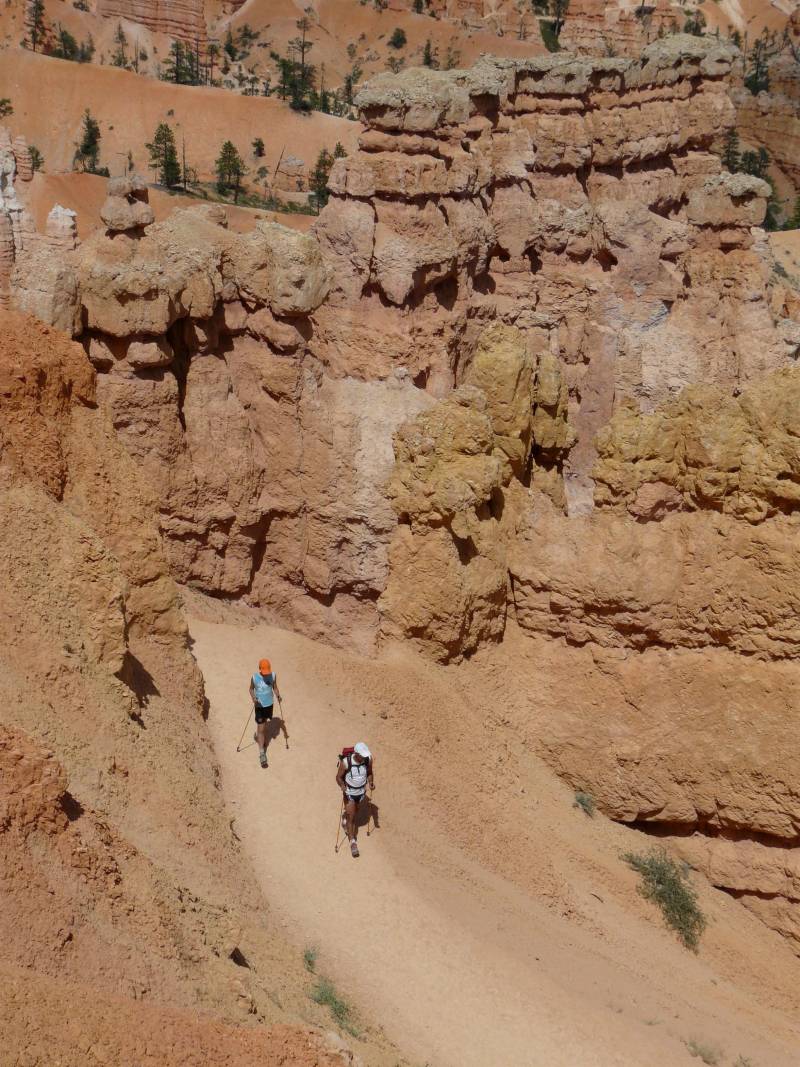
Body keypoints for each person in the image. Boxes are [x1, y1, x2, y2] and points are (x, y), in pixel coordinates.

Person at [336, 742, 374, 858]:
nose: (364, 756)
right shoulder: (346, 762)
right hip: (350, 793)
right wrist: (342, 785)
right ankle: (352, 842)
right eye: (362, 755)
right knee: (351, 817)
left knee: (355, 812)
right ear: (356, 754)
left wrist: (371, 782)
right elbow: (338, 777)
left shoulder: (368, 759)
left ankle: (345, 821)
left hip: (361, 793)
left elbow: (369, 773)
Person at [249, 658, 281, 768]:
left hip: (269, 705)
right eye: (264, 671)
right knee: (261, 728)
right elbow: (251, 689)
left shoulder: (273, 675)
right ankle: (262, 753)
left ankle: (260, 739)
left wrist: (278, 695)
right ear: (260, 669)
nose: (266, 673)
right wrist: (253, 698)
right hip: (259, 707)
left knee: (265, 724)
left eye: (267, 670)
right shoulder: (254, 677)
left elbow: (275, 688)